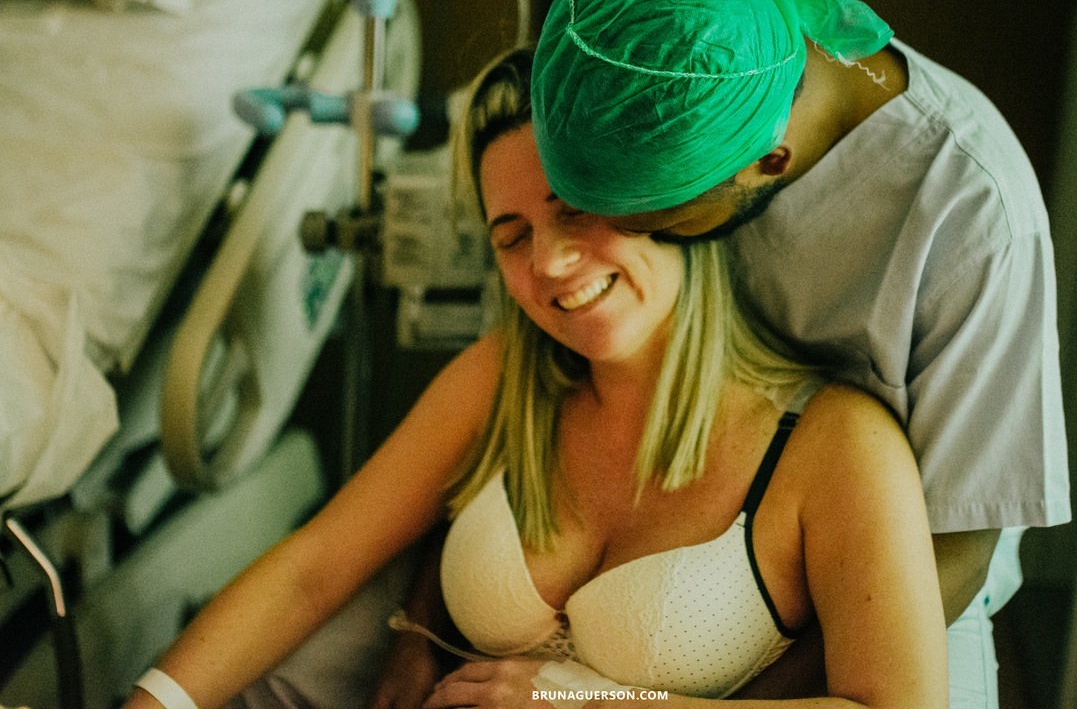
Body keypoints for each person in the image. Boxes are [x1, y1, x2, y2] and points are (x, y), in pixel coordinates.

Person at [123, 47, 948, 709]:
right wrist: (155, 702)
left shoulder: (835, 447)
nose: (550, 263)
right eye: (511, 236)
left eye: (575, 209)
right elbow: (312, 572)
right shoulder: (503, 383)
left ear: (672, 202)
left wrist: (594, 703)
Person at [529, 0, 1071, 708]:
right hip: (710, 522)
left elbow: (959, 549)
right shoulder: (679, 48)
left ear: (769, 165)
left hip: (901, 589)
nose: (632, 244)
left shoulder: (972, 211)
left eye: (664, 224)